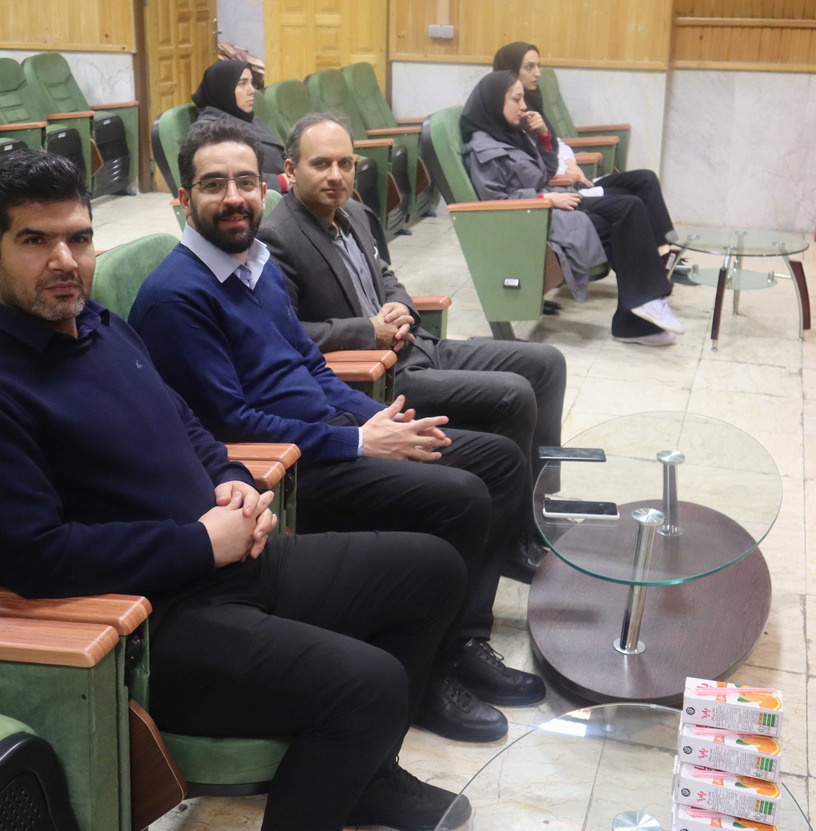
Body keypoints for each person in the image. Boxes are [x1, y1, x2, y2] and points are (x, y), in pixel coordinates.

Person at [0, 149, 473, 831]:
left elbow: (185, 421)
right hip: (153, 624)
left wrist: (231, 480)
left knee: (433, 569)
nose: (65, 260)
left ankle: (365, 778)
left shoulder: (98, 325)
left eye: (79, 239)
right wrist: (200, 544)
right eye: (35, 241)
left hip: (229, 559)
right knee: (370, 685)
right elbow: (35, 557)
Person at [129, 118, 547, 744]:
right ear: (184, 200)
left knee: (500, 460)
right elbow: (229, 422)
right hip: (293, 469)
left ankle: (462, 641)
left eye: (245, 181)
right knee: (461, 494)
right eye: (214, 185)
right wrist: (356, 442)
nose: (234, 197)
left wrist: (371, 419)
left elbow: (311, 365)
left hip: (334, 432)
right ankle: (428, 681)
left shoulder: (256, 264)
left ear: (264, 188)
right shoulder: (177, 297)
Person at [257, 112, 566, 582]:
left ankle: (533, 506)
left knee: (546, 363)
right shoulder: (278, 236)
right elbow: (290, 333)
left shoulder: (354, 212)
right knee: (513, 393)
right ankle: (509, 542)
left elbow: (386, 276)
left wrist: (401, 306)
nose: (336, 175)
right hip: (381, 377)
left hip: (418, 344)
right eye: (321, 164)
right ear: (290, 169)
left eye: (346, 163)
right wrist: (368, 331)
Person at [462, 71, 684, 346]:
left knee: (632, 202)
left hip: (550, 201)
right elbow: (495, 202)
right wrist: (544, 199)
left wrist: (544, 136)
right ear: (496, 102)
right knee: (628, 210)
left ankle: (644, 306)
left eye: (523, 99)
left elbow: (542, 172)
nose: (524, 106)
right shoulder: (482, 149)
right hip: (537, 215)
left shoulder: (510, 134)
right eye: (516, 99)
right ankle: (636, 315)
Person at [491, 40, 690, 281]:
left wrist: (570, 162)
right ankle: (659, 263)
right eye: (529, 67)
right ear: (511, 72)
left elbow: (557, 143)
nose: (538, 73)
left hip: (573, 180)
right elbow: (531, 168)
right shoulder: (510, 120)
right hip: (562, 189)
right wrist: (563, 172)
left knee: (645, 179)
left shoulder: (533, 105)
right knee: (630, 202)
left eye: (538, 66)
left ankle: (667, 251)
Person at [192, 60, 289, 193]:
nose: (252, 90)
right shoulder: (208, 131)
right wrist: (281, 182)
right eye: (242, 84)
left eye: (251, 83)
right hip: (261, 198)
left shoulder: (246, 117)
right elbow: (226, 177)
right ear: (223, 89)